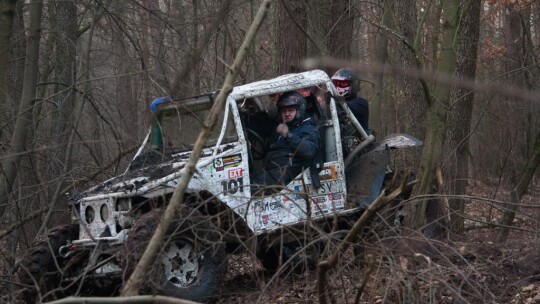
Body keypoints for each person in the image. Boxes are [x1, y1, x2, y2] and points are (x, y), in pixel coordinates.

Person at [252, 91, 320, 187]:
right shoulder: (279, 125)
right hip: (274, 169)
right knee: (248, 181)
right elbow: (261, 126)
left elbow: (309, 151)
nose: (287, 114)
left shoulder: (308, 127)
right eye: (284, 111)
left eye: (291, 110)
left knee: (252, 187)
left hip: (292, 171)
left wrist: (288, 135)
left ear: (299, 111)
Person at [331, 68, 369, 132]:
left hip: (358, 141)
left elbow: (343, 106)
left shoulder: (361, 103)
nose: (339, 86)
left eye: (343, 84)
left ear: (354, 85)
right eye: (337, 83)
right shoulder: (333, 103)